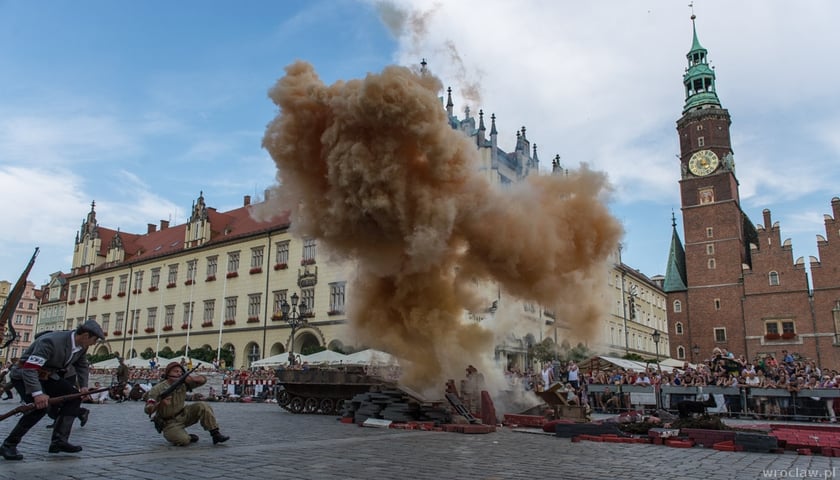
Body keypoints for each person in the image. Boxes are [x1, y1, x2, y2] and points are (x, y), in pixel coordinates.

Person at [0, 320, 105, 461]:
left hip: (47, 375)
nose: (94, 343)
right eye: (94, 339)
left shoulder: (82, 346)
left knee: (75, 397)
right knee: (39, 408)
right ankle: (9, 444)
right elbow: (30, 369)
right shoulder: (51, 342)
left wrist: (84, 387)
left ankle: (59, 441)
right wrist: (38, 394)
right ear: (86, 335)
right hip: (24, 375)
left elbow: (82, 365)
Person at [143, 361, 229, 446]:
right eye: (176, 371)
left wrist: (192, 379)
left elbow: (203, 380)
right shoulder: (157, 389)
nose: (179, 374)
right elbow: (148, 410)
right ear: (168, 373)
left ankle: (215, 434)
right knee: (183, 441)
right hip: (169, 422)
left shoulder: (183, 384)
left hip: (184, 414)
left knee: (203, 406)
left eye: (181, 372)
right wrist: (160, 404)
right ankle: (188, 437)